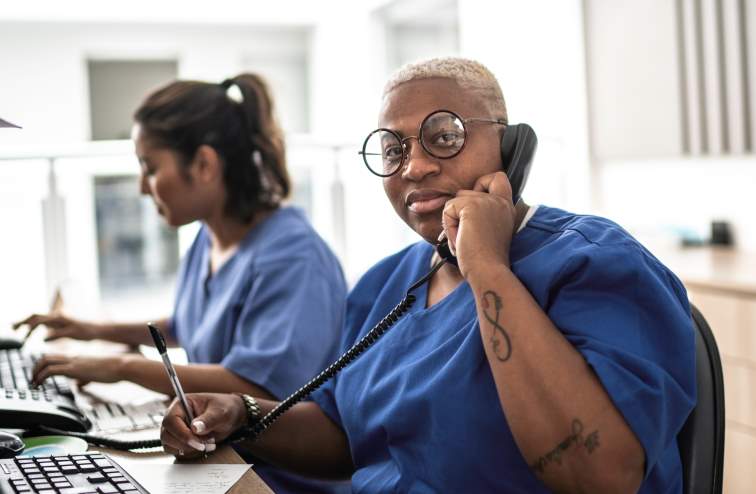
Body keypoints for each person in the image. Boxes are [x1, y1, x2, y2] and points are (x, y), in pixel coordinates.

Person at [159, 57, 696, 493]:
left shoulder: (594, 262)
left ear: (511, 148)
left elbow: (600, 475)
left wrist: (485, 265)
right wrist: (243, 414)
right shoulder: (385, 284)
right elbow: (350, 436)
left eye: (444, 137)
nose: (413, 167)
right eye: (393, 149)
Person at [14, 74, 349, 493]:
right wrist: (93, 330)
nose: (141, 186)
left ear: (204, 165)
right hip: (220, 455)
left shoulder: (294, 258)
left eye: (150, 168)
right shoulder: (213, 236)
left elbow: (255, 388)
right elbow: (192, 321)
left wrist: (122, 368)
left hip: (275, 479)